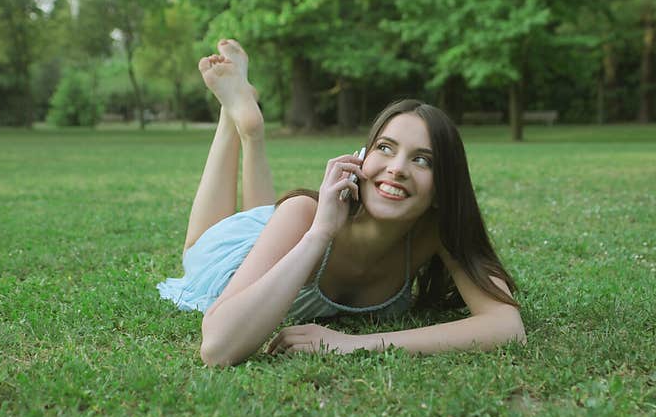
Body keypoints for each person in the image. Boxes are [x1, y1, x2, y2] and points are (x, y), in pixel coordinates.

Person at [158, 39, 526, 366]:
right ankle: (235, 121)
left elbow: (506, 327)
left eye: (422, 160)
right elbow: (218, 349)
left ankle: (249, 128)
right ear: (361, 158)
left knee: (276, 220)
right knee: (198, 245)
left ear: (443, 188)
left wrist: (356, 344)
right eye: (385, 148)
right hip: (241, 253)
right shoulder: (307, 215)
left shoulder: (437, 233)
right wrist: (320, 231)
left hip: (282, 237)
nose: (397, 169)